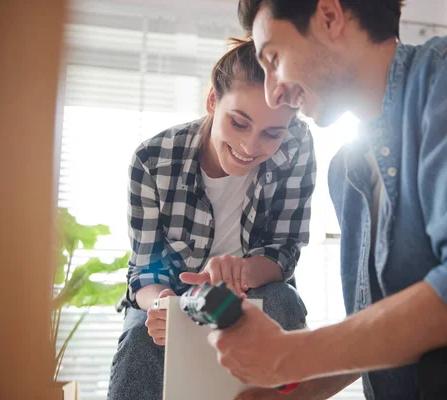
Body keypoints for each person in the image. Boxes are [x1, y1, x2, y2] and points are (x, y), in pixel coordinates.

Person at [209, 1, 447, 399]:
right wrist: (293, 395)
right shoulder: (345, 172)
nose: (274, 91)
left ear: (330, 16)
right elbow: (383, 331)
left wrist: (289, 354)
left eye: (274, 58)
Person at [106, 38, 317, 400]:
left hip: (250, 289)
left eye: (272, 133)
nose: (251, 147)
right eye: (239, 123)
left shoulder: (296, 145)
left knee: (281, 302)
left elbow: (285, 250)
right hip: (174, 295)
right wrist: (163, 306)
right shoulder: (153, 161)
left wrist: (241, 271)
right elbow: (144, 273)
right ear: (212, 101)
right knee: (141, 340)